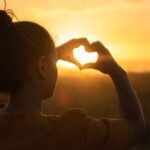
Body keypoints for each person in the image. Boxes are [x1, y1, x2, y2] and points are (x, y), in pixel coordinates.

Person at [0, 10, 145, 150]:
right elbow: (136, 126)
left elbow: (23, 63)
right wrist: (118, 72)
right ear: (43, 66)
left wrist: (51, 55)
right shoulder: (74, 131)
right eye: (54, 62)